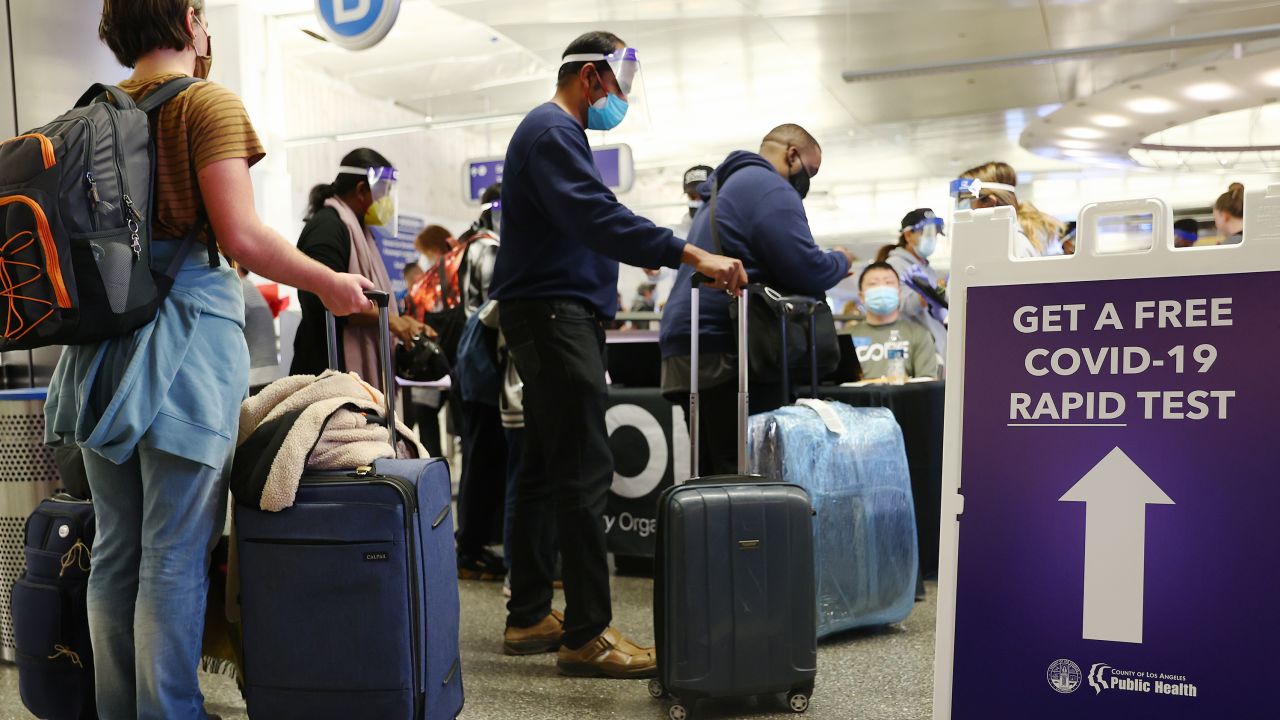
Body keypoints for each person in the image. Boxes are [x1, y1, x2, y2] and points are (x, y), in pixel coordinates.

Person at [45, 3, 371, 718]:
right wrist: (329, 283)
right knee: (173, 552)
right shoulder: (207, 102)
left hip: (99, 356)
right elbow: (241, 234)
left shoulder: (89, 112)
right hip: (184, 348)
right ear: (188, 19)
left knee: (117, 550)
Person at [489, 30, 746, 678]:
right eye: (615, 86)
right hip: (553, 315)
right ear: (590, 78)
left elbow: (591, 214)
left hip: (548, 313)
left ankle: (528, 615)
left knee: (548, 469)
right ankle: (587, 635)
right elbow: (597, 217)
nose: (618, 100)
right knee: (582, 468)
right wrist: (691, 253)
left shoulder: (555, 136)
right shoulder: (551, 131)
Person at [659, 124, 854, 477]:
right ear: (792, 154)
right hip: (729, 345)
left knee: (712, 475)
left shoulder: (724, 189)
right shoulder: (768, 186)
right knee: (748, 475)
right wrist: (841, 260)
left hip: (690, 343)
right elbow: (805, 267)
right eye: (809, 171)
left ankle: (714, 534)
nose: (806, 183)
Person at [290, 148, 426, 380]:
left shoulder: (362, 234)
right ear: (362, 190)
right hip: (328, 369)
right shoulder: (327, 228)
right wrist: (390, 320)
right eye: (384, 193)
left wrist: (401, 320)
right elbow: (321, 301)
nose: (387, 202)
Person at [451, 185, 509, 581]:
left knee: (481, 452)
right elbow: (496, 303)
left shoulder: (471, 242)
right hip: (486, 360)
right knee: (485, 453)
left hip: (475, 359)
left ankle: (475, 542)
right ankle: (471, 545)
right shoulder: (488, 246)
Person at [875, 208, 948, 359]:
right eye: (926, 233)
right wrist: (927, 293)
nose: (932, 238)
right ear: (908, 235)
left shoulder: (928, 269)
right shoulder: (895, 265)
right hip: (915, 349)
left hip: (937, 347)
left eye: (935, 234)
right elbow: (902, 306)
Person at [848, 262, 939, 380]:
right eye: (873, 284)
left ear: (899, 292)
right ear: (861, 296)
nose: (881, 288)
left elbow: (927, 383)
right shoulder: (845, 337)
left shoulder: (919, 334)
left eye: (888, 282)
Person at [955, 161, 1064, 258]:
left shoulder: (1009, 247)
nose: (969, 207)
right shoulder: (1021, 237)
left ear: (989, 202)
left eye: (970, 201)